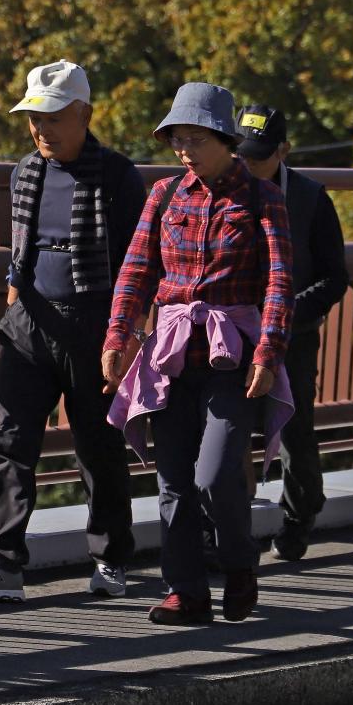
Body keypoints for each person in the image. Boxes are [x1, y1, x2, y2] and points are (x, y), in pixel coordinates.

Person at [0, 63, 146, 603]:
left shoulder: (120, 177)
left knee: (99, 447)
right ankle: (0, 564)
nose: (42, 129)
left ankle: (109, 560)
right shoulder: (25, 171)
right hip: (30, 318)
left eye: (53, 116)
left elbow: (137, 261)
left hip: (93, 321)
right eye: (34, 117)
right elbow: (19, 248)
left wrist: (124, 336)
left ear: (85, 114)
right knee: (10, 441)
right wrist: (14, 301)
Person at [104, 83, 292, 626]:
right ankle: (185, 591)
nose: (184, 149)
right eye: (177, 140)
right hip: (170, 351)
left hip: (230, 356)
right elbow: (137, 272)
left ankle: (238, 566)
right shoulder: (164, 195)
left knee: (214, 475)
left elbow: (280, 281)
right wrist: (117, 339)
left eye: (194, 139)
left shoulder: (260, 197)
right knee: (173, 482)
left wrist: (269, 353)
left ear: (224, 140)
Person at [234, 105, 349, 561]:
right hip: (233, 331)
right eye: (239, 154)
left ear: (283, 150)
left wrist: (287, 315)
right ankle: (230, 526)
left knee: (294, 427)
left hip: (293, 334)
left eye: (259, 157)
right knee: (229, 427)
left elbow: (335, 277)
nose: (248, 166)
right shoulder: (219, 190)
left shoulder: (310, 197)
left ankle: (299, 516)